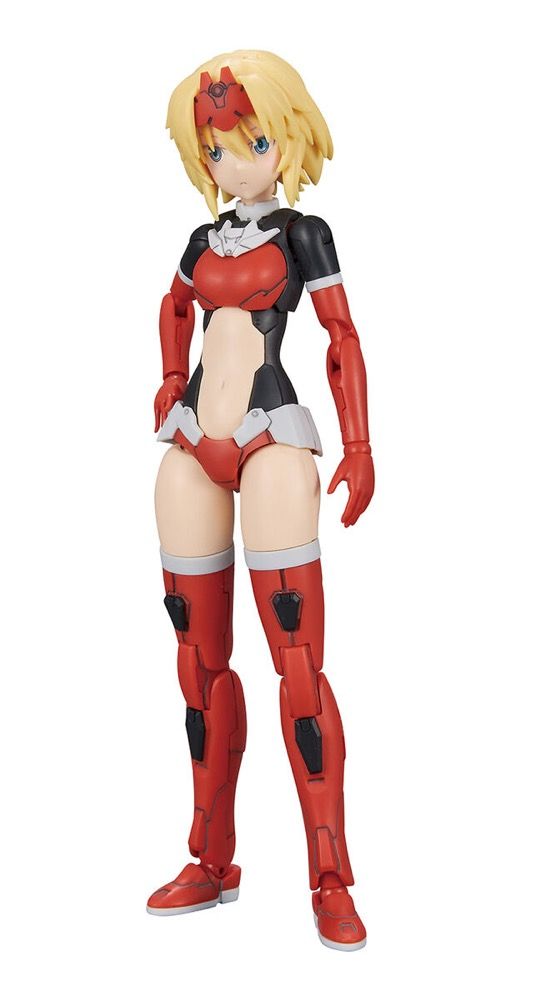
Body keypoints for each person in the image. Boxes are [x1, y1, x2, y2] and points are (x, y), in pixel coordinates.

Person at [147, 50, 374, 952]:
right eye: (215, 149)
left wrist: (358, 444)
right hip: (192, 445)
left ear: (286, 140)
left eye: (251, 143)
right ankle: (211, 857)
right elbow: (175, 309)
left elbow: (342, 336)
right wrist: (170, 381)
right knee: (198, 665)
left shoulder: (304, 233)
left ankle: (330, 876)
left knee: (299, 667)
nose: (232, 162)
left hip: (270, 437)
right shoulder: (201, 243)